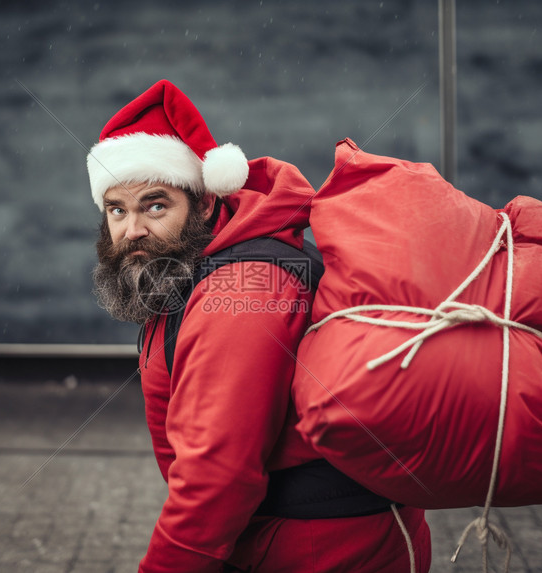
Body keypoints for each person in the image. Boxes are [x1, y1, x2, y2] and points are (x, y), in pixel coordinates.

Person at [88, 79, 431, 572]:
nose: (132, 229)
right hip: (281, 542)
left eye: (155, 205)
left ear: (205, 203)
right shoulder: (194, 266)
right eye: (116, 210)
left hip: (325, 552)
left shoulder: (244, 291)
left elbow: (218, 475)